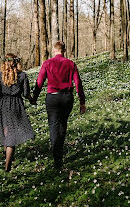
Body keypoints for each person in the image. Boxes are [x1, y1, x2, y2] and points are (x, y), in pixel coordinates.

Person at [32, 41, 86, 169]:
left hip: (52, 98)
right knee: (63, 124)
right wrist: (82, 101)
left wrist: (34, 97)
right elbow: (78, 83)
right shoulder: (71, 64)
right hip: (67, 97)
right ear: (64, 50)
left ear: (54, 50)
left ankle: (57, 156)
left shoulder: (47, 63)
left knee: (53, 125)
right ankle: (59, 152)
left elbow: (39, 81)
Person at [0, 53, 35, 172]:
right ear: (16, 62)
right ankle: (7, 165)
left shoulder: (0, 76)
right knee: (11, 135)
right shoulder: (22, 75)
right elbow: (26, 94)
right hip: (16, 105)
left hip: (3, 105)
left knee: (6, 132)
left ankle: (7, 159)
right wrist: (32, 100)